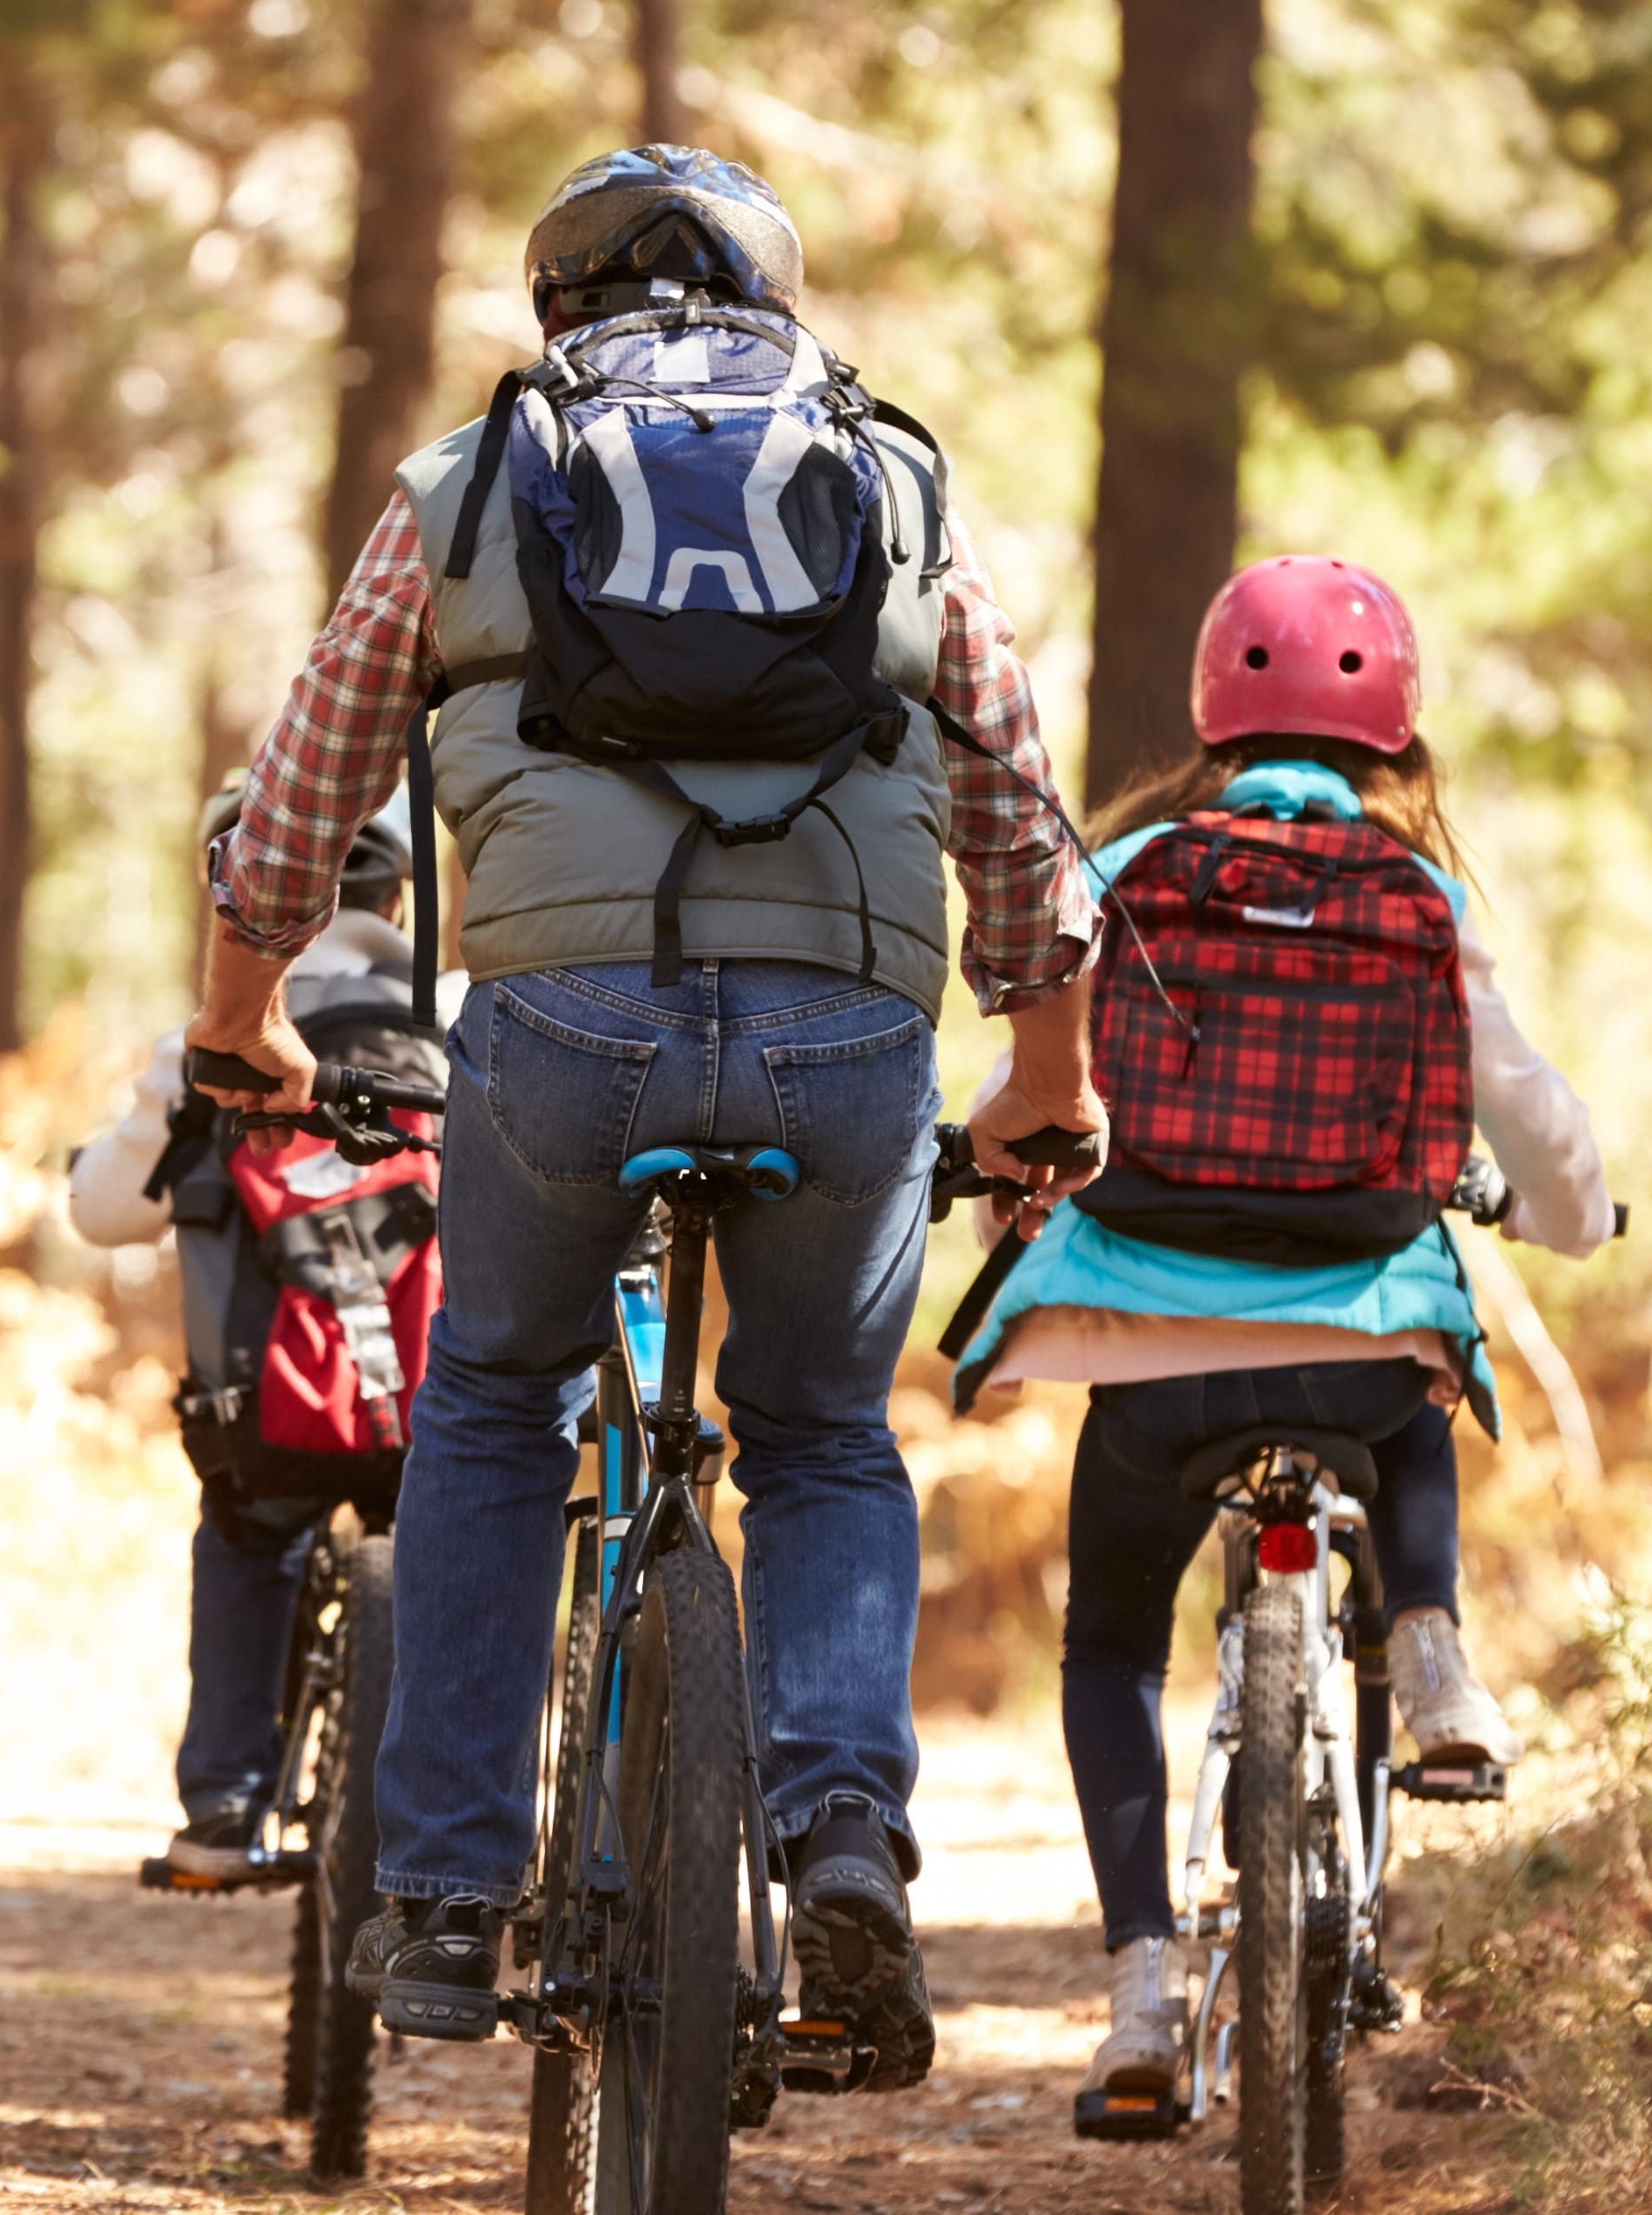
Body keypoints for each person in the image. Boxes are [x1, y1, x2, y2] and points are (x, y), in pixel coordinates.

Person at [187, 145, 1103, 2091]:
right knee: (824, 1434)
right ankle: (841, 1829)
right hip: (846, 1034)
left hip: (562, 1027)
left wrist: (238, 1025)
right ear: (776, 303)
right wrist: (1046, 1068)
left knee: (495, 1398)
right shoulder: (897, 479)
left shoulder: (470, 483)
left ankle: (438, 1897)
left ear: (555, 309)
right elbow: (1014, 799)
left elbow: (296, 804)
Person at [941, 557, 1614, 2113]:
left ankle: (1134, 1995)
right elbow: (1538, 1124)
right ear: (1397, 732)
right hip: (1357, 1333)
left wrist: (998, 1199)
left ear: (1212, 715)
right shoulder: (1423, 899)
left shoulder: (1132, 870)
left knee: (1110, 1644)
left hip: (1151, 1343)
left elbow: (1036, 1091)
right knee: (1415, 1399)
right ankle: (1429, 1648)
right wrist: (1574, 1220)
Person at [66, 781, 450, 1883]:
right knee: (467, 1543)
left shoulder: (206, 1043)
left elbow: (101, 1211)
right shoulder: (458, 1013)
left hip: (267, 1412)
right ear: (394, 889)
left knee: (247, 1528)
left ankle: (225, 1810)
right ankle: (456, 1834)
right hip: (442, 1406)